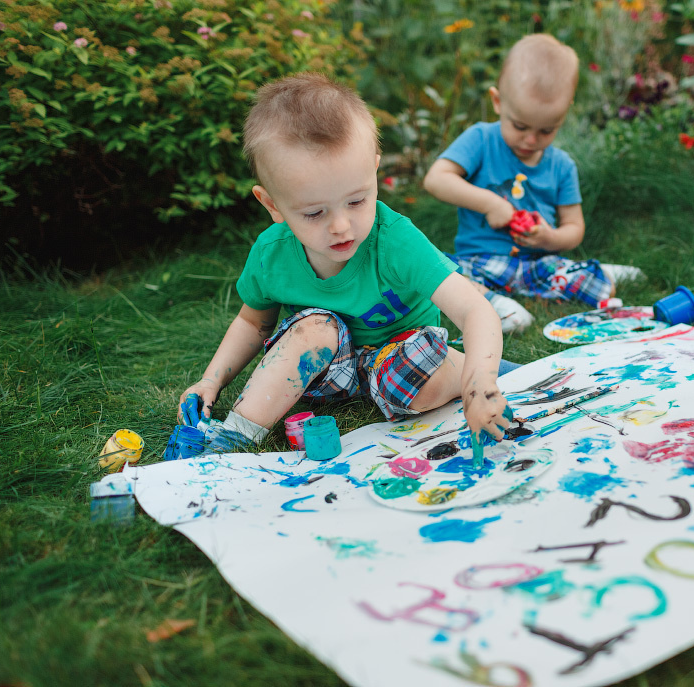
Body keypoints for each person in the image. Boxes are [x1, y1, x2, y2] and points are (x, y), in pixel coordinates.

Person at [177, 73, 511, 452]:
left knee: (412, 375)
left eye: (356, 201)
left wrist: (479, 383)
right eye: (315, 213)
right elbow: (253, 323)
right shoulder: (272, 255)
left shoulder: (395, 240)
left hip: (404, 362)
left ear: (374, 170)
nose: (340, 226)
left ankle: (459, 368)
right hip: (329, 371)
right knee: (313, 328)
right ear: (272, 205)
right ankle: (234, 437)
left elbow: (474, 311)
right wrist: (211, 380)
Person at [423, 33, 643, 334]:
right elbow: (436, 179)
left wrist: (548, 239)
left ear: (563, 115)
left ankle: (598, 273)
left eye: (545, 131)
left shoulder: (562, 166)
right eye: (520, 126)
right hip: (480, 261)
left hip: (539, 264)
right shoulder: (480, 140)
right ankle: (495, 306)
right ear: (498, 102)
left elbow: (574, 229)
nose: (530, 140)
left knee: (572, 276)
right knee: (442, 273)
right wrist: (490, 203)